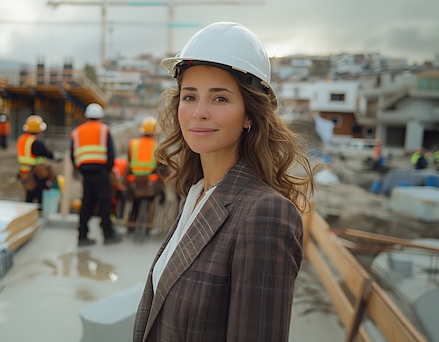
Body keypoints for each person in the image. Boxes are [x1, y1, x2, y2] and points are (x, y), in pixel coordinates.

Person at [133, 22, 315, 341]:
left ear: (249, 115)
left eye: (219, 99)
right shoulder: (197, 194)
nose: (199, 112)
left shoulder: (265, 215)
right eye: (189, 97)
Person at [70, 103, 122, 246]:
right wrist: (107, 169)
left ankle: (82, 236)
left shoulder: (77, 132)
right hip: (101, 172)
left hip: (86, 173)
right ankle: (108, 235)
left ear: (86, 116)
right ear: (100, 116)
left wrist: (80, 169)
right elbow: (111, 153)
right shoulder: (104, 130)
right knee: (105, 203)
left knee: (87, 203)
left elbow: (73, 155)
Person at [125, 117, 163, 233]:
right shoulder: (157, 146)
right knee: (152, 199)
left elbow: (129, 163)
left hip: (134, 183)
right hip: (150, 183)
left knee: (135, 202)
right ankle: (148, 226)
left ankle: (131, 226)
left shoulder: (133, 144)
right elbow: (160, 167)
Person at [17, 115, 56, 208]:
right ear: (39, 131)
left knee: (29, 196)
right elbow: (46, 153)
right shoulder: (36, 142)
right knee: (39, 196)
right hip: (36, 173)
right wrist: (55, 156)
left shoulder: (22, 139)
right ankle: (39, 213)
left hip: (24, 173)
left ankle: (27, 214)